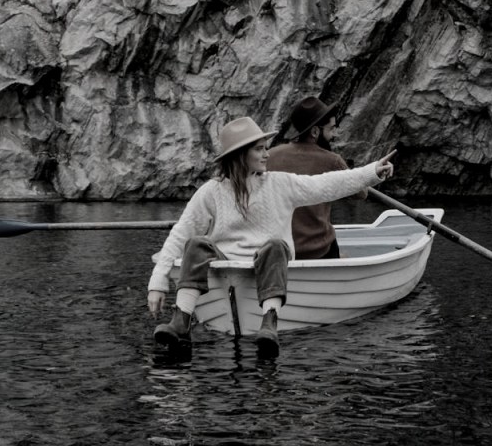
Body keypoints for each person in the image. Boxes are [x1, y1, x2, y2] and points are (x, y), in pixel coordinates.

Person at [147, 116, 395, 358]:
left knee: (276, 245)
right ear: (240, 155)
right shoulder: (210, 192)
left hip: (269, 258)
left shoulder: (280, 184)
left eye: (266, 148)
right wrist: (157, 282)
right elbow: (180, 233)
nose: (267, 154)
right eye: (259, 149)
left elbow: (327, 184)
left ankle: (269, 322)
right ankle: (181, 319)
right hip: (227, 260)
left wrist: (372, 172)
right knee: (195, 243)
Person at [267, 96, 366, 259]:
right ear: (314, 132)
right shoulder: (332, 160)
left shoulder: (269, 156)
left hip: (282, 249)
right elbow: (361, 194)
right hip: (320, 250)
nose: (334, 134)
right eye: (331, 129)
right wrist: (347, 171)